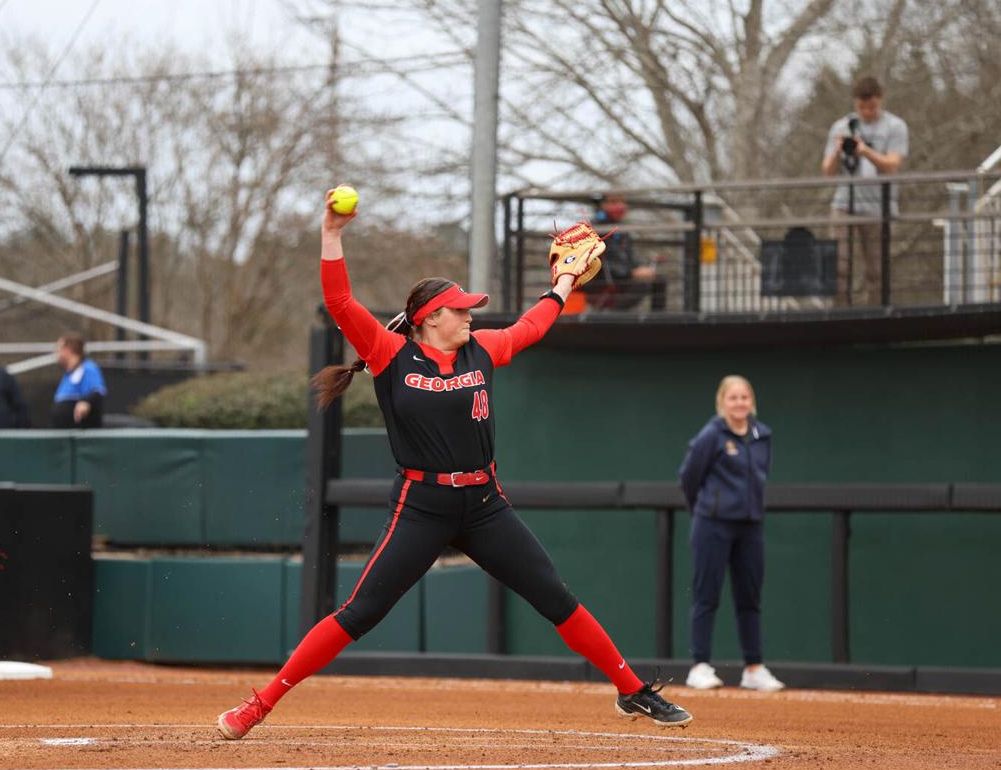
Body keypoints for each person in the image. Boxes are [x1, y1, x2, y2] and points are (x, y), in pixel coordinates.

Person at [215, 188, 692, 740]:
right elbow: (341, 303)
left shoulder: (481, 349)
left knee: (555, 596)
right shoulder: (390, 354)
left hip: (484, 504)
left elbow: (533, 326)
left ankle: (632, 691)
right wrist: (331, 234)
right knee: (360, 611)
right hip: (422, 505)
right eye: (462, 308)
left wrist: (561, 284)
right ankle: (259, 705)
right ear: (431, 318)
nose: (471, 314)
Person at [678, 375, 783, 692]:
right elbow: (689, 477)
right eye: (733, 398)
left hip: (750, 526)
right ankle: (699, 666)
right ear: (722, 402)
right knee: (706, 595)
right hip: (712, 524)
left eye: (745, 397)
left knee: (749, 597)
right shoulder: (711, 435)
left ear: (752, 402)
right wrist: (707, 508)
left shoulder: (762, 436)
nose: (740, 403)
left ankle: (753, 668)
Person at [820, 75, 909, 306]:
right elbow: (827, 172)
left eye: (871, 107)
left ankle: (877, 320)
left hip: (880, 208)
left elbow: (891, 166)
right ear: (855, 103)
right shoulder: (841, 127)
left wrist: (866, 151)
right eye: (861, 107)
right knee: (839, 268)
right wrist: (838, 152)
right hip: (844, 205)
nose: (866, 112)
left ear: (880, 100)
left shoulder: (895, 126)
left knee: (877, 271)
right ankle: (840, 318)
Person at [585, 195, 666, 312]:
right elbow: (606, 259)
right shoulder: (597, 228)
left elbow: (628, 254)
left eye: (622, 202)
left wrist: (641, 268)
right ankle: (612, 315)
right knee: (641, 284)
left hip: (622, 275)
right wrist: (631, 272)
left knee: (658, 280)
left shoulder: (621, 229)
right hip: (604, 279)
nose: (620, 206)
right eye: (614, 202)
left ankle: (659, 321)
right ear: (603, 205)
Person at [51, 332, 106, 428]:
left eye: (59, 349)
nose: (57, 353)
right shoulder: (68, 374)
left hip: (82, 438)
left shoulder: (88, 368)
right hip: (64, 436)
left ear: (68, 350)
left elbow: (97, 392)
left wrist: (86, 403)